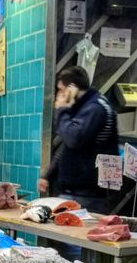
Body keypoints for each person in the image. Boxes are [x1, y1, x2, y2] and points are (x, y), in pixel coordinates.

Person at [38, 66, 118, 214]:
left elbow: (73, 139)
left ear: (72, 88)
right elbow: (67, 146)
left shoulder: (95, 108)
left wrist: (62, 109)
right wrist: (48, 175)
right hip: (74, 192)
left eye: (61, 90)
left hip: (88, 195)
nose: (59, 95)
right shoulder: (82, 107)